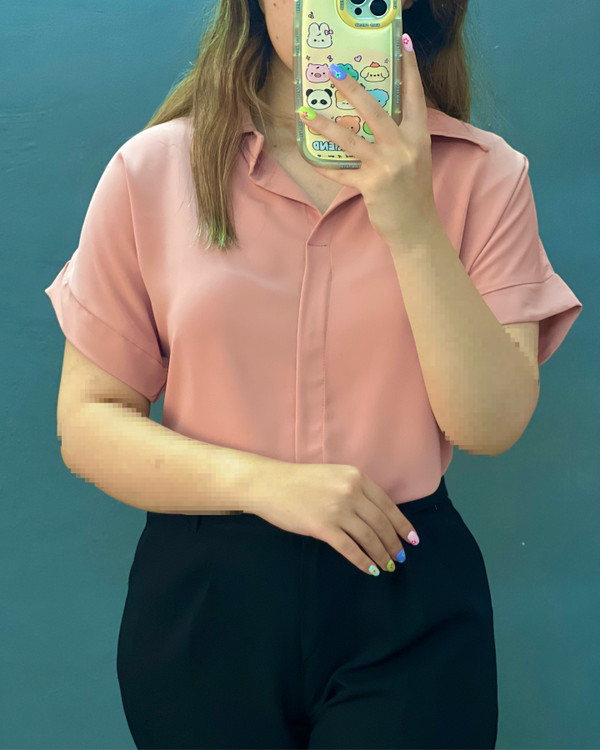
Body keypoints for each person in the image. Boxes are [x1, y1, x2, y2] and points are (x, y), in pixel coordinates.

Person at [44, 0, 583, 748]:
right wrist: (267, 485)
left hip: (405, 588)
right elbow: (87, 421)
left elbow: (490, 425)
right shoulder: (151, 171)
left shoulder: (485, 176)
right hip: (205, 599)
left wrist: (411, 220)